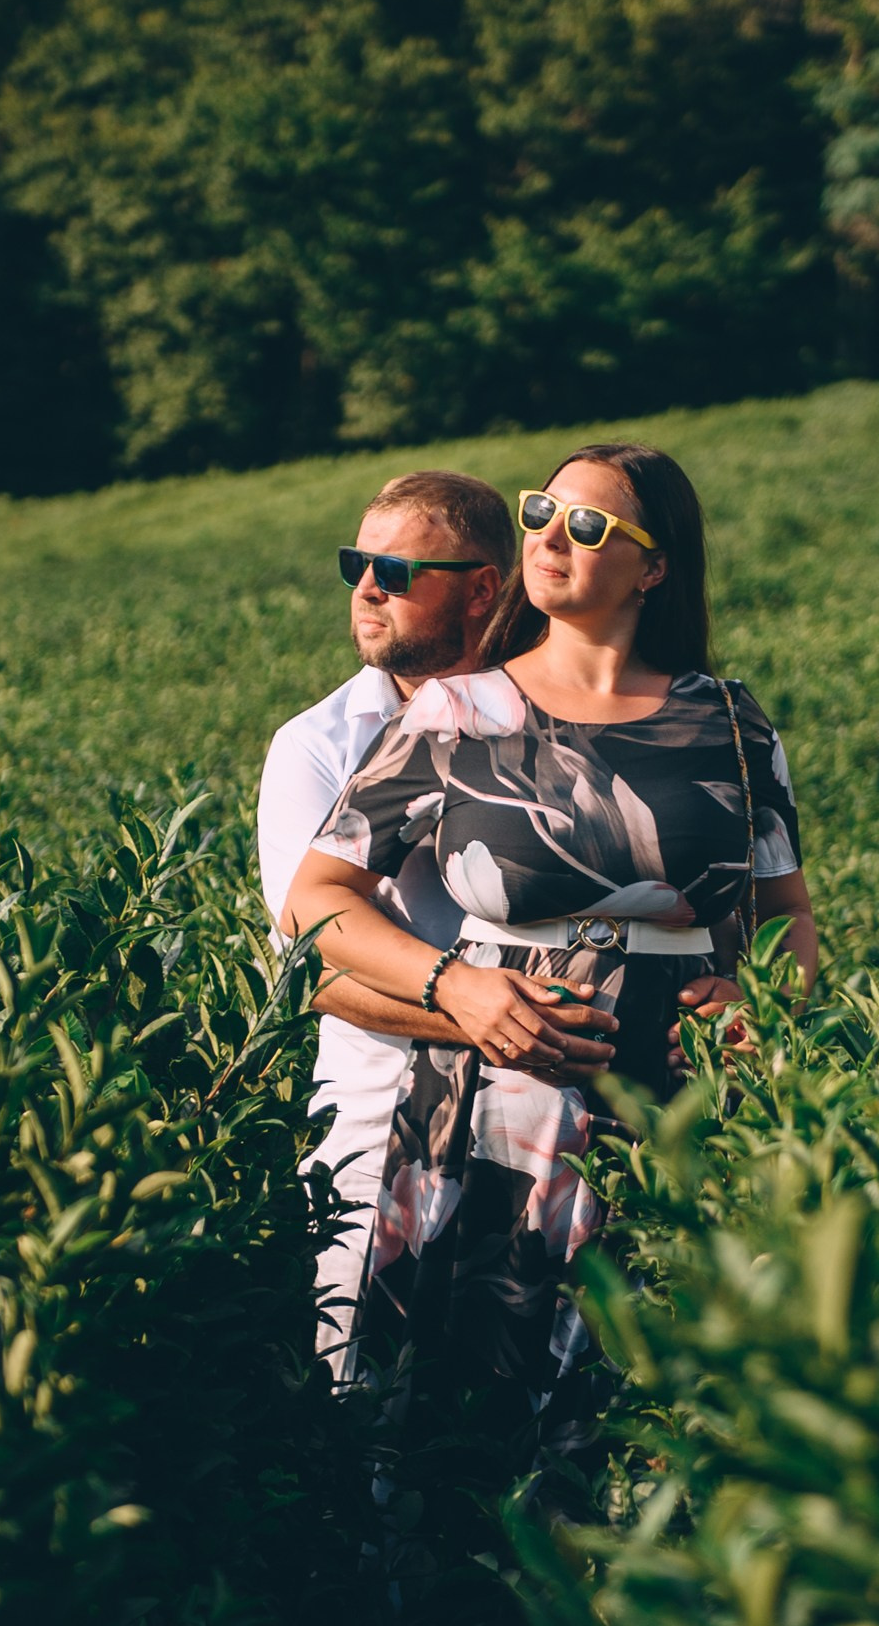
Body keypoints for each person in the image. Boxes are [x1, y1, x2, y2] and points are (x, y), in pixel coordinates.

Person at [284, 439, 817, 1421]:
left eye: (586, 524)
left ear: (654, 567)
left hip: (681, 1102)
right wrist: (457, 987)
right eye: (540, 513)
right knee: (462, 1407)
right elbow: (316, 902)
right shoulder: (457, 712)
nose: (549, 538)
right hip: (493, 1101)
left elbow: (784, 913)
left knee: (647, 1397)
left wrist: (759, 998)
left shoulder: (733, 725)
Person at [256, 469, 616, 1377]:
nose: (365, 589)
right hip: (379, 1129)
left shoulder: (558, 716)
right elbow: (312, 967)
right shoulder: (320, 744)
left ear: (483, 588)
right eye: (355, 564)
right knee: (370, 1400)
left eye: (394, 570)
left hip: (562, 1121)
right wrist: (488, 1017)